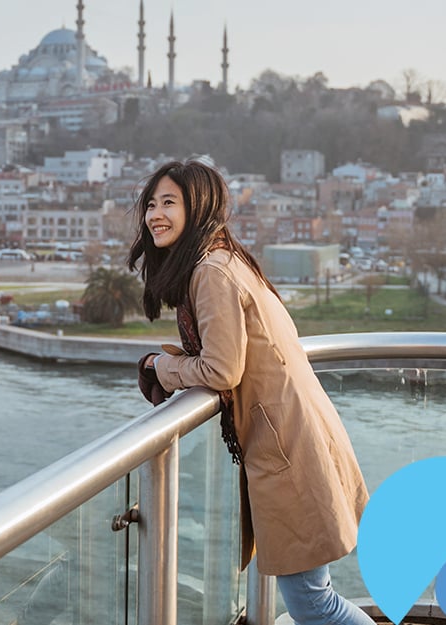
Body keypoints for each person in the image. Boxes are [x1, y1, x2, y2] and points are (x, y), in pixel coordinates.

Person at [128, 160, 371, 625]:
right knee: (316, 598)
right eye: (151, 204)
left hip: (288, 452)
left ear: (197, 208)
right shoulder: (224, 259)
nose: (154, 215)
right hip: (296, 439)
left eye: (169, 202)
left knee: (315, 605)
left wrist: (161, 365)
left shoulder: (210, 273)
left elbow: (221, 369)